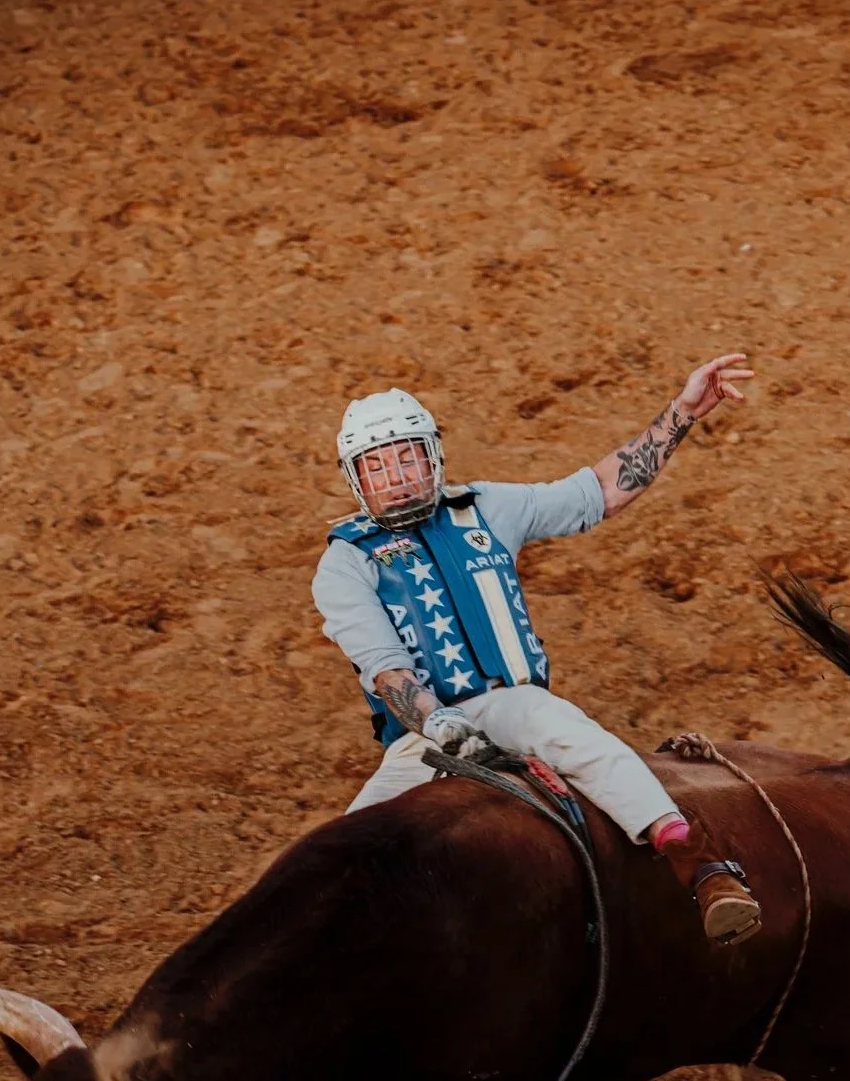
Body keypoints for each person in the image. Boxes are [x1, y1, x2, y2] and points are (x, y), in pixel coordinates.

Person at [311, 354, 762, 945]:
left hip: (509, 705)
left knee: (580, 741)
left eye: (407, 457)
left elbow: (601, 490)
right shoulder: (345, 561)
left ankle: (701, 867)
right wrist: (441, 725)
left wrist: (682, 412)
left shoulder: (486, 508)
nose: (396, 476)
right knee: (342, 854)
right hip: (422, 738)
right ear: (357, 479)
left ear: (432, 456)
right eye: (378, 466)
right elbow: (387, 672)